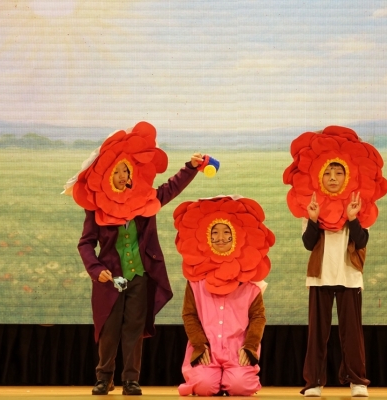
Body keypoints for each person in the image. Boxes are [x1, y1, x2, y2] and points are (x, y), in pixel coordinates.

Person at [65, 122, 203, 396]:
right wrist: (96, 269)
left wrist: (190, 167)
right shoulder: (96, 207)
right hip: (109, 280)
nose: (121, 175)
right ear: (107, 175)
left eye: (125, 170)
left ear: (131, 174)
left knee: (134, 329)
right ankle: (104, 377)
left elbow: (170, 188)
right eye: (116, 171)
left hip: (140, 277)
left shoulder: (144, 201)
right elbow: (85, 243)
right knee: (109, 329)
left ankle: (131, 379)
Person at [172, 196, 275, 396]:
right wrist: (199, 344)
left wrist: (250, 346)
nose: (220, 238)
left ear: (237, 236)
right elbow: (189, 314)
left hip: (237, 350)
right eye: (215, 232)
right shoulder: (196, 280)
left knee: (240, 386)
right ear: (205, 237)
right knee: (203, 386)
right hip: (206, 350)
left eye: (227, 232)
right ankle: (216, 381)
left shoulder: (249, 280)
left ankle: (229, 380)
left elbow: (258, 317)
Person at [301, 162, 370, 398]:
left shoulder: (359, 204)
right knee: (317, 333)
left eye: (339, 173)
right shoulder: (313, 204)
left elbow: (361, 241)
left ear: (347, 177)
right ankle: (314, 382)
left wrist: (352, 217)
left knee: (352, 333)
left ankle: (357, 380)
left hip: (349, 275)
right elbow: (308, 243)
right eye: (328, 173)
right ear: (320, 178)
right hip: (320, 277)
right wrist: (313, 219)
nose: (333, 177)